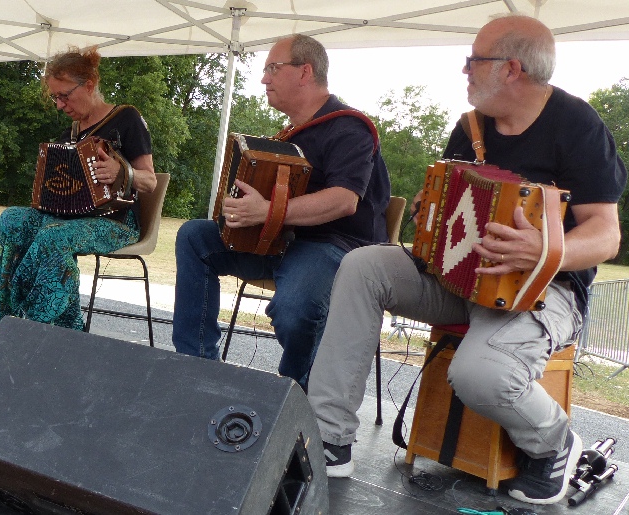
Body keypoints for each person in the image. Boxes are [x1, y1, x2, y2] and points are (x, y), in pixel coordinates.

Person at [307, 15, 627, 506]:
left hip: (543, 289)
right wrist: (428, 209)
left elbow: (606, 236)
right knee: (364, 266)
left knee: (480, 373)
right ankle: (329, 438)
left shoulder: (576, 125)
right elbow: (449, 205)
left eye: (473, 60)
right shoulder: (470, 129)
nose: (465, 70)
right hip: (458, 281)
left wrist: (543, 249)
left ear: (511, 69)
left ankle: (555, 443)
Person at [171, 34, 391, 390]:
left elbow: (345, 200)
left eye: (272, 68)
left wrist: (267, 210)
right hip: (284, 243)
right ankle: (196, 369)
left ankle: (296, 395)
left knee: (294, 307)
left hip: (338, 247)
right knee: (196, 236)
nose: (264, 79)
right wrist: (242, 212)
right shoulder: (289, 135)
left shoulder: (351, 127)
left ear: (305, 72)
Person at [0, 46, 157, 345]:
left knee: (54, 238)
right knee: (12, 219)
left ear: (89, 84)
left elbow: (150, 182)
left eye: (64, 96)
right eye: (54, 98)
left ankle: (34, 333)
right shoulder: (71, 135)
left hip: (116, 222)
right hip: (66, 220)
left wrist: (123, 172)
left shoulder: (127, 118)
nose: (59, 105)